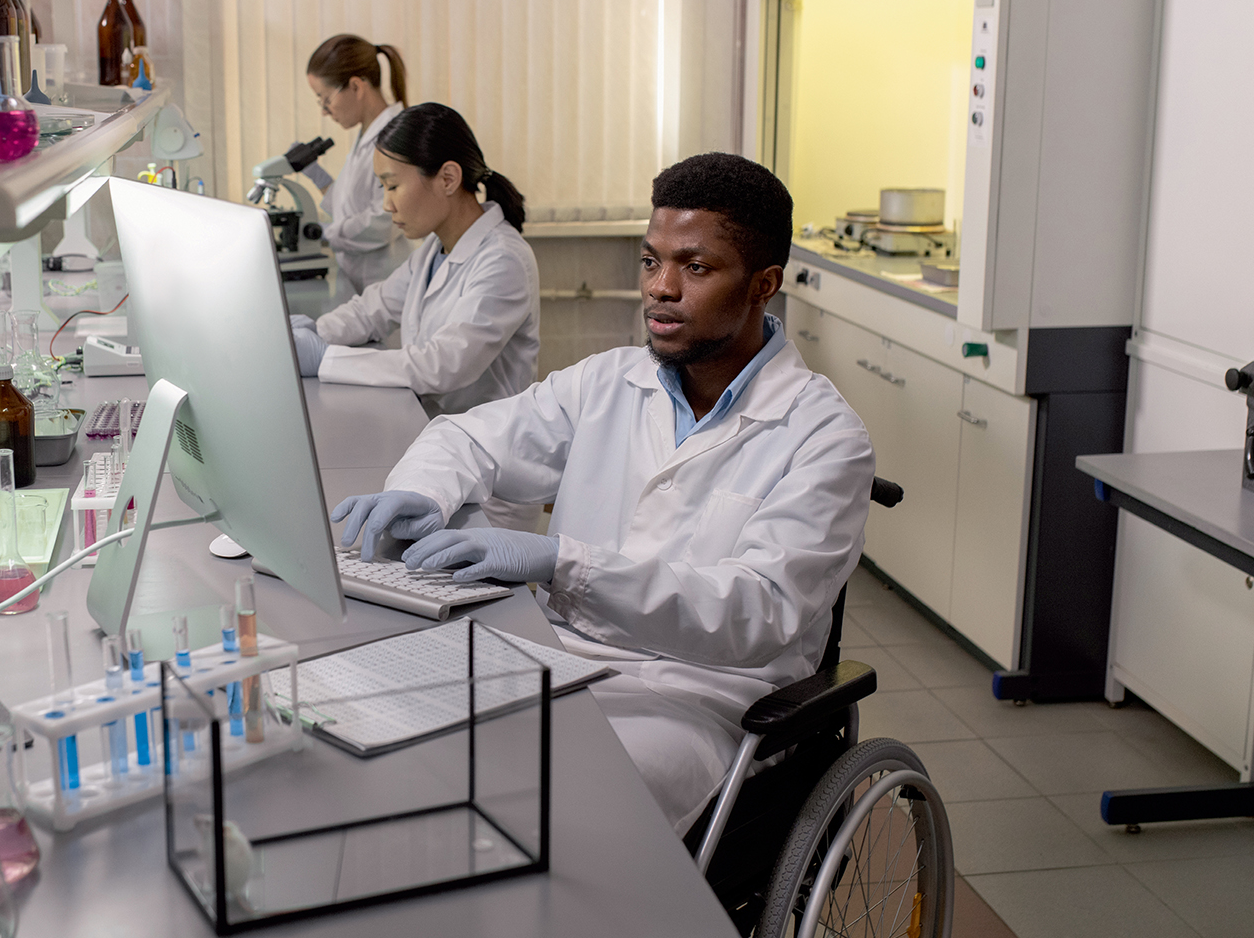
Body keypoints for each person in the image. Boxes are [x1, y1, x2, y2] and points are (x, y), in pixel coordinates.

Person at [328, 153, 875, 833]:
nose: (661, 288)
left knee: (553, 801)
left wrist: (563, 561)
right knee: (398, 732)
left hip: (699, 698)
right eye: (651, 262)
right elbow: (468, 437)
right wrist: (422, 493)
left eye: (695, 267)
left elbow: (754, 611)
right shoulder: (609, 381)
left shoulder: (824, 437)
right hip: (557, 652)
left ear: (764, 284)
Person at [290, 102, 541, 530]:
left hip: (491, 476)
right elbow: (375, 307)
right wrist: (311, 331)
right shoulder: (435, 248)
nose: (386, 204)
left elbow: (442, 365)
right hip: (438, 447)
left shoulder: (503, 260)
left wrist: (324, 359)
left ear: (447, 178)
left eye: (391, 185)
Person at [301, 35, 415, 295]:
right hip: (360, 285)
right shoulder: (365, 136)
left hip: (386, 286)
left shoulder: (395, 138)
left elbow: (386, 219)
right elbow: (347, 206)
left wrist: (326, 233)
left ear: (355, 86)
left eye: (325, 99)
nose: (325, 111)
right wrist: (315, 175)